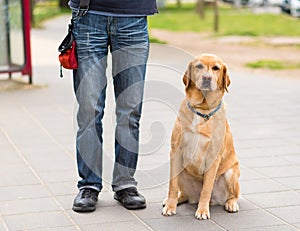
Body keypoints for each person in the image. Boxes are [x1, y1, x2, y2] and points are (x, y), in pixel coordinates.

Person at [68, 0, 158, 212]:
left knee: (130, 109)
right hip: (88, 15)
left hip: (133, 18)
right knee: (89, 110)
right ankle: (89, 185)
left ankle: (125, 183)